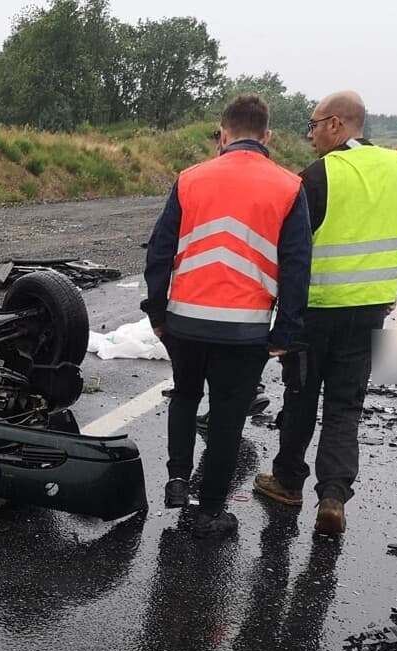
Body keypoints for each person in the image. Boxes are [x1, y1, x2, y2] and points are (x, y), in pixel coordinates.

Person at [142, 95, 312, 538]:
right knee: (227, 417)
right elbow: (297, 266)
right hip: (245, 329)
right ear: (267, 135)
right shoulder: (289, 186)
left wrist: (157, 311)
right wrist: (286, 331)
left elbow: (160, 252)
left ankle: (178, 479)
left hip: (185, 322)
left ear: (223, 133)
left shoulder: (190, 179)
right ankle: (211, 510)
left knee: (183, 397)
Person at [253, 91, 397, 534]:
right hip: (370, 314)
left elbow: (288, 249)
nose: (309, 135)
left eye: (313, 125)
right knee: (347, 406)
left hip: (317, 313)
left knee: (301, 398)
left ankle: (288, 481)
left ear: (336, 124)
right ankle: (333, 496)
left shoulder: (319, 175)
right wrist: (392, 289)